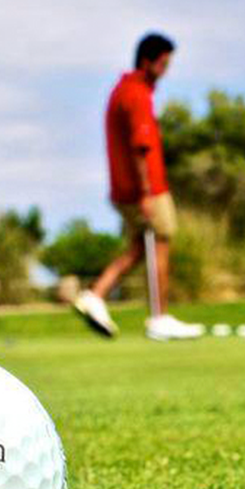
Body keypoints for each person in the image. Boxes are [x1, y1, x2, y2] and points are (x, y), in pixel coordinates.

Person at [75, 33, 204, 341]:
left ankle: (96, 295)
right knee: (160, 242)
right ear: (147, 61)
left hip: (125, 189)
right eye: (162, 63)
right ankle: (159, 317)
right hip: (145, 189)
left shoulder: (124, 90)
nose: (166, 69)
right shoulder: (136, 94)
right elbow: (141, 146)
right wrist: (147, 193)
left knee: (138, 248)